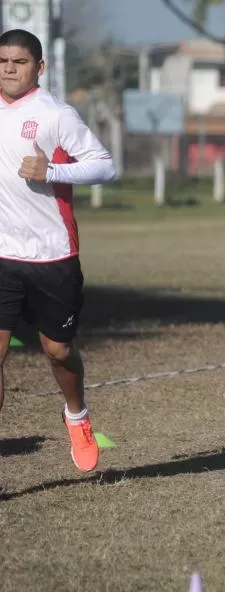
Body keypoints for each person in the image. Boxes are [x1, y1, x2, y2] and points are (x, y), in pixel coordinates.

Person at [0, 30, 117, 473]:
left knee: (57, 350)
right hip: (2, 255)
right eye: (2, 61)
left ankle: (77, 416)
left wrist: (52, 169)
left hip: (52, 256)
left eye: (19, 62)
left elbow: (105, 164)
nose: (9, 69)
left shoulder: (55, 114)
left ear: (39, 68)